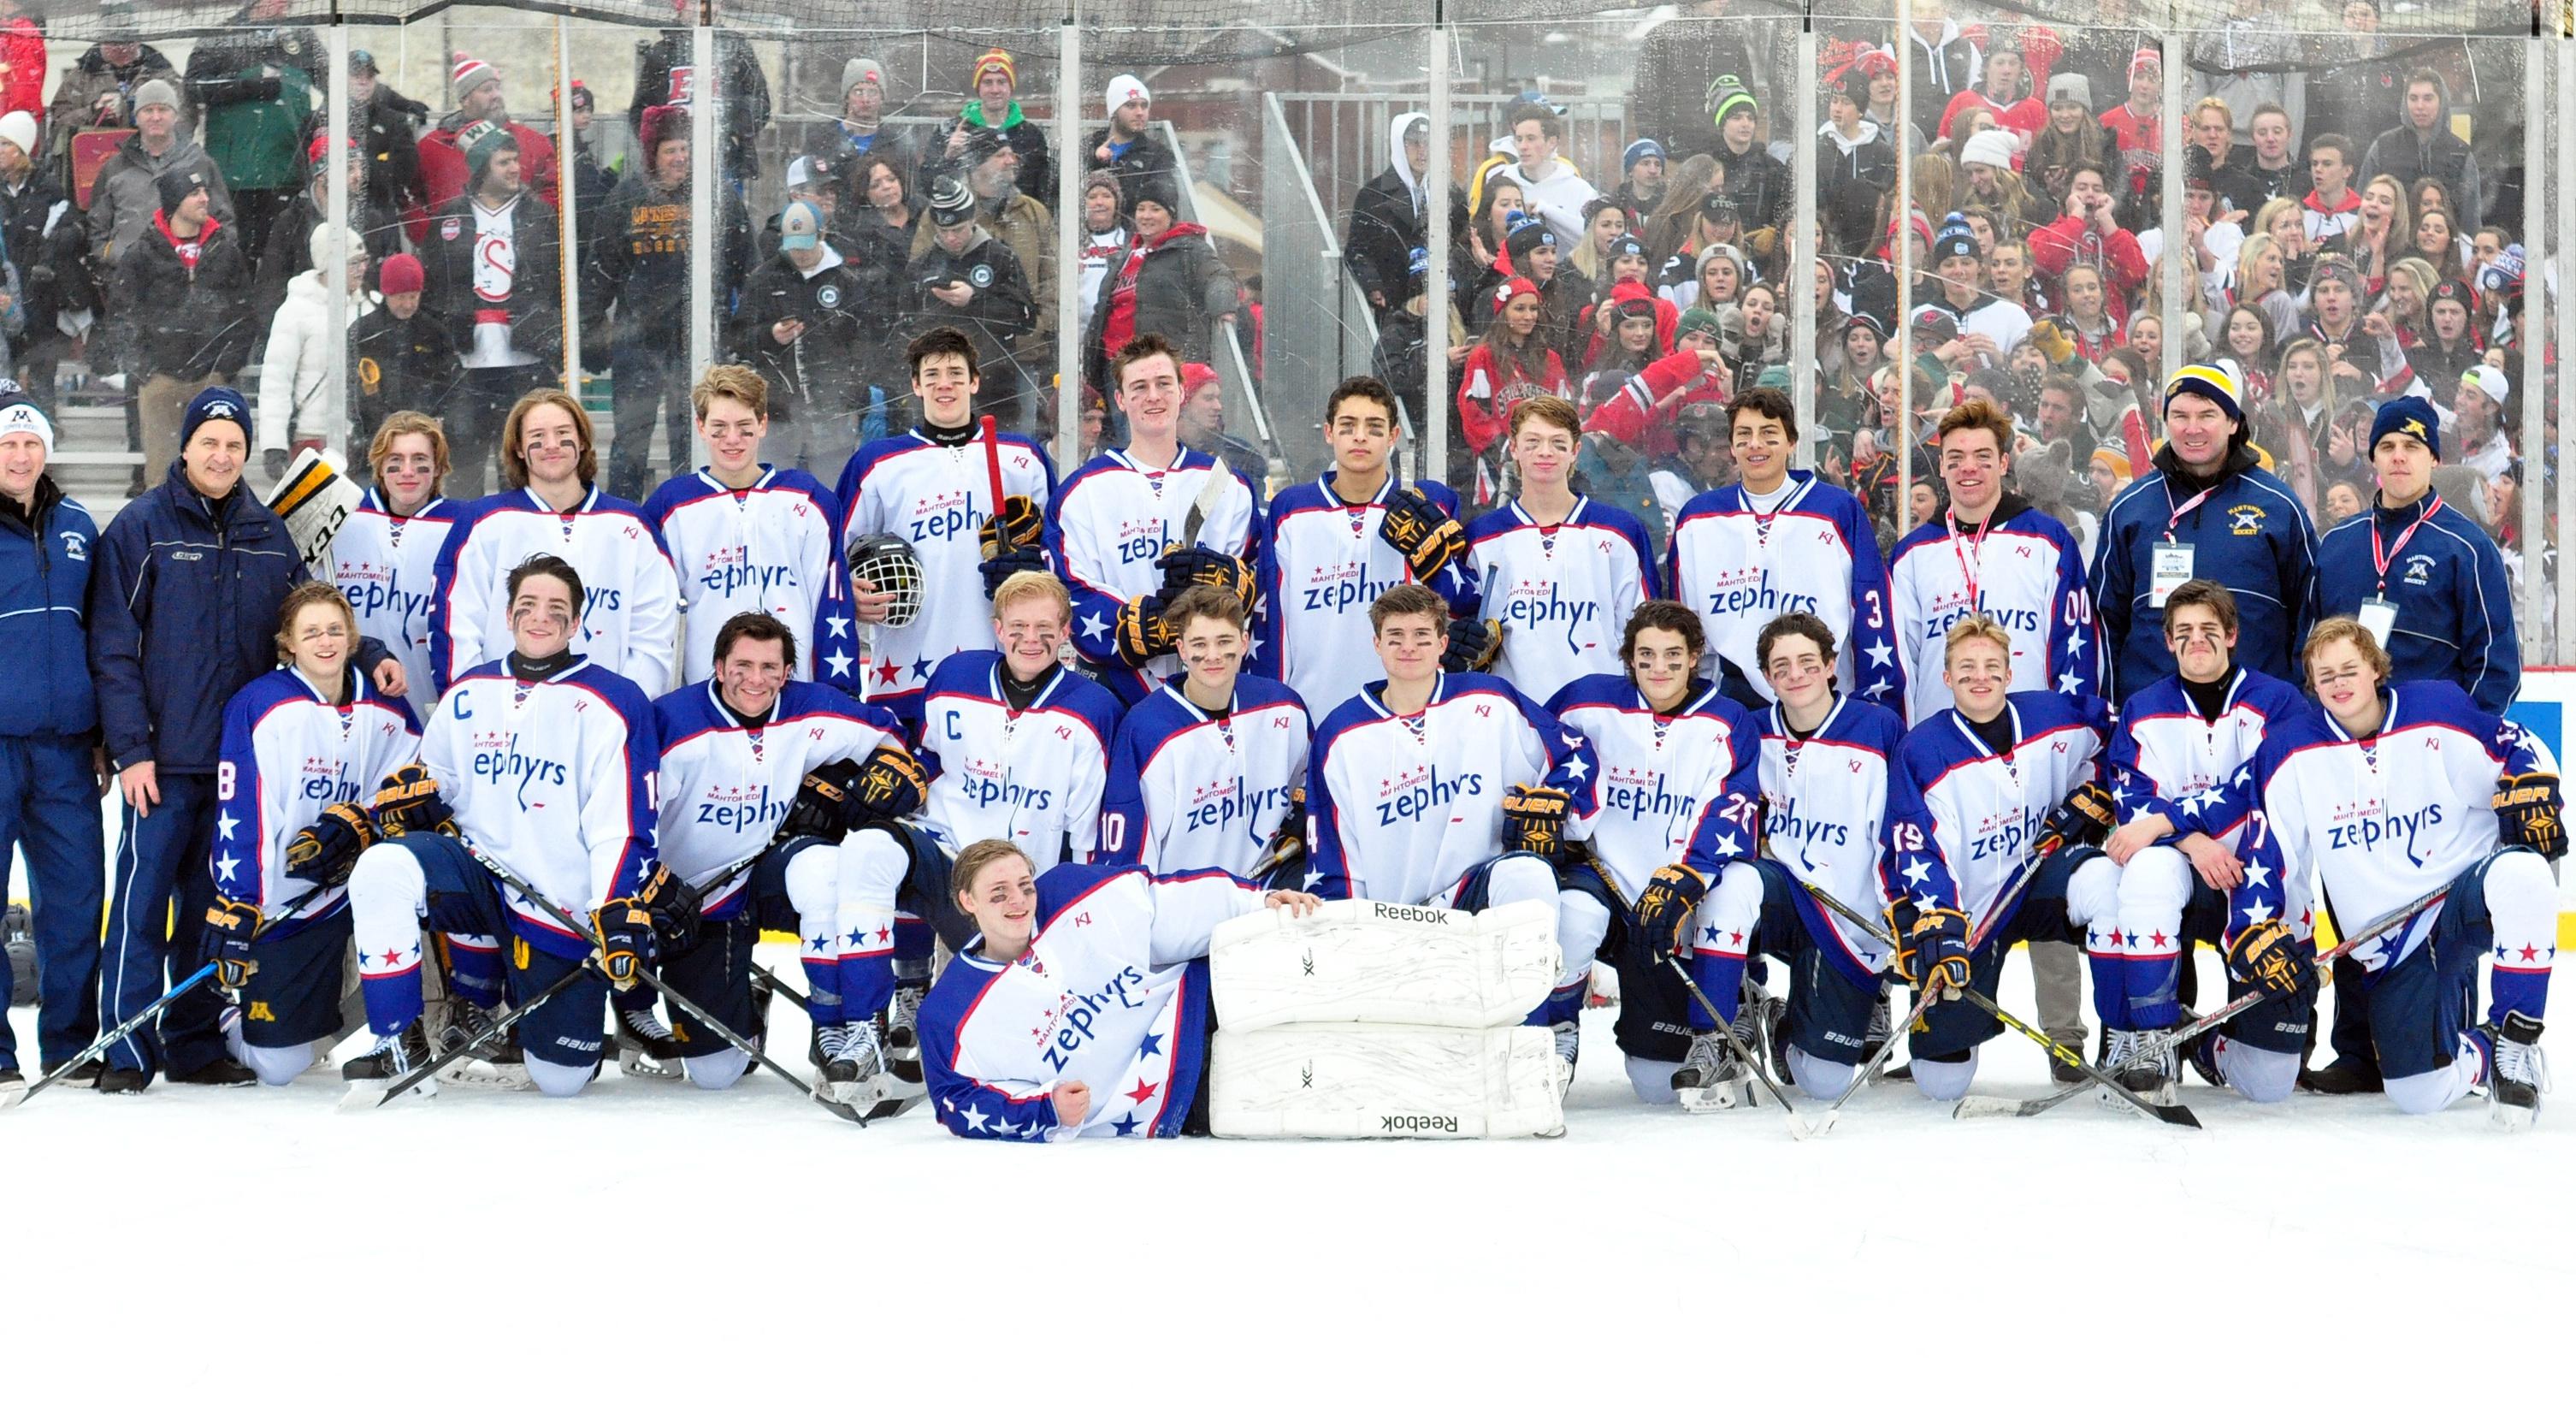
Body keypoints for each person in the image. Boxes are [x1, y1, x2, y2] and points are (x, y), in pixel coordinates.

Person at [88, 388, 402, 1093]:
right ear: (186, 447)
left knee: (212, 913)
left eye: (234, 445)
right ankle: (127, 1050)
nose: (222, 455)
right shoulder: (142, 527)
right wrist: (132, 749)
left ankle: (195, 1045)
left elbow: (311, 614)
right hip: (163, 762)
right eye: (210, 442)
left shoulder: (267, 531)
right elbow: (112, 646)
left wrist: (372, 650)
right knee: (141, 910)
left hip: (238, 766)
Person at [339, 554, 671, 1099]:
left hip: (555, 901)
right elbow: (439, 776)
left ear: (576, 622)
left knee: (560, 1077)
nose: (540, 617)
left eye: (556, 608)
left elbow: (622, 820)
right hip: (475, 874)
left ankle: (543, 1024)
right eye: (527, 605)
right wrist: (418, 796)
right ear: (509, 615)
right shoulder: (469, 691)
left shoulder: (615, 700)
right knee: (382, 867)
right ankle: (396, 1037)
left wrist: (612, 905)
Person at [2223, 618, 2553, 1127]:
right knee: (2417, 1092)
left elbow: (2514, 745)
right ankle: (2485, 1049)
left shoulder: (2437, 709)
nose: (2338, 683)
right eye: (2325, 675)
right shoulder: (2290, 750)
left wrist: (2532, 784)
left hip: (2459, 899)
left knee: (2525, 872)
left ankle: (2517, 1042)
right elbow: (2274, 851)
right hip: (2391, 945)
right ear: (2313, 685)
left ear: (2376, 669)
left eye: (2349, 669)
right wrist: (2259, 924)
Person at [1306, 583, 1598, 1063]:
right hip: (1396, 920)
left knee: (1528, 874)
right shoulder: (1342, 733)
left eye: (1422, 636)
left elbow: (1575, 753)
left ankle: (1530, 1046)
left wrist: (1558, 796)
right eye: (1395, 636)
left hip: (1474, 891)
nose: (1409, 647)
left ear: (1443, 642)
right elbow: (1336, 854)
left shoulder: (1490, 701)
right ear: (1376, 644)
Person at [649, 611, 918, 1103]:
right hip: (687, 898)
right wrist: (654, 881)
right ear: (718, 666)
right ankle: (746, 1006)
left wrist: (854, 780)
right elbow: (626, 817)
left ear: (787, 672)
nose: (755, 680)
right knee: (715, 1072)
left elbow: (891, 737)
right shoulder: (673, 722)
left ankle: (835, 1026)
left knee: (825, 869)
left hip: (763, 873)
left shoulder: (809, 708)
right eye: (742, 666)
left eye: (770, 668)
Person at [2065, 579, 2311, 1103]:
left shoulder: (2280, 702)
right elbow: (2135, 808)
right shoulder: (2142, 709)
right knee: (2144, 870)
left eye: (2208, 629)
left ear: (2232, 635)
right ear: (2169, 641)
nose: (2196, 639)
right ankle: (2152, 1039)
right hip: (2181, 869)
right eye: (2184, 631)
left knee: (2268, 1085)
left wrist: (2168, 821)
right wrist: (2192, 841)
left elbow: (2260, 787)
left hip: (2260, 876)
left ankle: (2197, 1039)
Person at [919, 837, 1320, 1140]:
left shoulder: (1069, 891)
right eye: (999, 894)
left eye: (1025, 886)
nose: (1019, 902)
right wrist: (1046, 1108)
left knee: (1317, 986)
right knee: (1316, 1084)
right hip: (1173, 1093)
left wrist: (1259, 902)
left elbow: (1166, 905)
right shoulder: (949, 1013)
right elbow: (958, 1100)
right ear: (968, 901)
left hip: (1199, 1003)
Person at [1880, 615, 2120, 1102]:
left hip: (2041, 877)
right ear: (1946, 677)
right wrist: (1938, 919)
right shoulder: (1921, 751)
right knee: (1940, 1081)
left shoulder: (2054, 714)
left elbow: (2124, 736)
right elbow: (1915, 845)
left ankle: (2123, 1031)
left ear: (2009, 674)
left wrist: (2097, 790)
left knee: (2107, 882)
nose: (1980, 677)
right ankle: (1944, 1039)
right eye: (1966, 667)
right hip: (1971, 912)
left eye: (1992, 666)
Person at [1692, 613, 1913, 1103]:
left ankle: (1785, 1020)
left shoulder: (1877, 727)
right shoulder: (1750, 731)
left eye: (1808, 662)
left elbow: (1899, 827)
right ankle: (1719, 1032)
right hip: (1786, 898)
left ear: (1831, 666)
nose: (1796, 675)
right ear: (1766, 677)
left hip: (1847, 918)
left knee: (1821, 1081)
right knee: (1733, 882)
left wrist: (1900, 907)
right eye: (1781, 666)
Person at [206, 583, 421, 1086]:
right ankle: (233, 1016)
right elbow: (246, 812)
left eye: (334, 630)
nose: (325, 642)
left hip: (359, 889)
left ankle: (409, 1029)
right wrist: (244, 902)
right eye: (311, 633)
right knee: (279, 1067)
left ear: (351, 637)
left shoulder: (387, 706)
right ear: (289, 643)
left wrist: (362, 823)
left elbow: (413, 780)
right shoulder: (261, 705)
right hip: (290, 902)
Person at [1550, 599, 1763, 1106]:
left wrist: (1688, 877)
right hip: (1607, 882)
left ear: (1694, 656)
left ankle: (1722, 1025)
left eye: (1672, 655)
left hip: (1677, 893)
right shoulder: (1586, 701)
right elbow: (1538, 745)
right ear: (1629, 657)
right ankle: (1554, 1033)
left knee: (1654, 1082)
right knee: (1574, 914)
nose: (1658, 667)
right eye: (1646, 655)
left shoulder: (1726, 719)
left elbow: (1731, 806)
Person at [835, 328, 1055, 733]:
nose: (944, 384)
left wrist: (1035, 566)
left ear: (974, 381)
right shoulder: (878, 464)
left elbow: (1060, 549)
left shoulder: (1021, 457)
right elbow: (833, 555)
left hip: (1004, 661)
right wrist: (850, 593)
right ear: (916, 386)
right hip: (907, 666)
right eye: (932, 375)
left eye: (955, 373)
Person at [1050, 334, 1266, 707]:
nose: (1153, 396)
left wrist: (1227, 582)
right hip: (1119, 690)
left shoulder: (1226, 485)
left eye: (1164, 384)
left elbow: (1255, 578)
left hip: (1211, 684)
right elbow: (1073, 588)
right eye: (1139, 387)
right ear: (1120, 400)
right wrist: (1145, 625)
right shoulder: (1082, 491)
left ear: (1181, 392)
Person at [428, 388, 681, 698]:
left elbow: (654, 633)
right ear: (519, 448)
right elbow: (456, 627)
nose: (551, 444)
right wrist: (478, 706)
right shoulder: (482, 522)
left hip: (605, 716)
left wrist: (626, 707)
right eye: (537, 435)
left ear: (583, 440)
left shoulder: (632, 526)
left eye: (563, 433)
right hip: (503, 713)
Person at [2092, 364, 2319, 703]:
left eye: (2207, 415)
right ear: (2166, 422)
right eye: (2180, 416)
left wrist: (2299, 703)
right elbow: (2103, 620)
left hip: (2256, 709)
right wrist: (2110, 708)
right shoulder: (2130, 508)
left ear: (2233, 422)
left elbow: (2312, 612)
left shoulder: (2278, 505)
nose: (2193, 428)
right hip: (2155, 712)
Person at [1667, 387, 1902, 707]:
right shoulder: (1698, 519)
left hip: (1824, 701)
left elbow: (1871, 607)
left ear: (1792, 441)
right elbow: (1685, 627)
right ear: (1732, 445)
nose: (1755, 444)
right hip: (1735, 705)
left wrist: (1875, 698)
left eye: (1769, 433)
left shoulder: (1836, 509)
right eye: (1744, 434)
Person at [0, 395, 106, 1089]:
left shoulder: (78, 527)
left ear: (46, 450)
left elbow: (102, 635)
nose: (20, 455)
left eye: (31, 443)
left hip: (66, 748)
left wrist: (101, 733)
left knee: (74, 901)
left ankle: (70, 1045)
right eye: (8, 444)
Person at [1255, 375, 1468, 714]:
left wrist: (1441, 570)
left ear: (1393, 436)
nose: (1360, 436)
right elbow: (1273, 625)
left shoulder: (1431, 503)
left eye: (1374, 427)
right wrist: (1276, 709)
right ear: (1329, 432)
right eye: (1348, 425)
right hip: (1314, 712)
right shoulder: (1291, 511)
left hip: (1413, 712)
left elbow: (1460, 609)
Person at [643, 366, 858, 691]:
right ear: (701, 427)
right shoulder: (670, 507)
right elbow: (654, 613)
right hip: (706, 697)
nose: (732, 439)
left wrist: (838, 695)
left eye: (744, 428)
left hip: (792, 695)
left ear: (763, 424)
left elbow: (829, 601)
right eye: (719, 428)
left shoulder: (808, 499)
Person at [1888, 399, 2100, 725]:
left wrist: (2067, 735)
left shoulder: (2049, 541)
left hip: (2030, 737)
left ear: (2003, 463)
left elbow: (2074, 648)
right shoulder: (1911, 554)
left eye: (1982, 457)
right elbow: (1901, 664)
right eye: (1956, 458)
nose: (1968, 467)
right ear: (1941, 466)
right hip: (1939, 742)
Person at [588, 104, 752, 500]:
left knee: (691, 436)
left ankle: (688, 507)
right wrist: (591, 331)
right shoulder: (626, 198)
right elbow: (600, 271)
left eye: (685, 149)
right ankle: (624, 514)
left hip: (695, 339)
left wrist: (742, 328)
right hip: (637, 340)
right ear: (652, 155)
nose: (680, 158)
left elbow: (746, 266)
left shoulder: (715, 196)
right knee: (631, 438)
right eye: (670, 151)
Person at [2315, 397, 2517, 716]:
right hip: (2345, 734)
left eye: (2412, 446)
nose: (2398, 456)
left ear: (2434, 458)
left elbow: (2496, 665)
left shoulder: (2468, 547)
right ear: (2373, 458)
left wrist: (2462, 731)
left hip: (2429, 735)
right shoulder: (2336, 544)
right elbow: (2308, 647)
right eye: (2387, 447)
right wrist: (2321, 724)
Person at [1102, 584, 1310, 880]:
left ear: (1244, 642)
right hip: (1181, 900)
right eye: (1199, 644)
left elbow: (1310, 783)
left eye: (1224, 641)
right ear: (1182, 649)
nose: (1213, 655)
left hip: (1268, 892)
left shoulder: (1284, 707)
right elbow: (1128, 858)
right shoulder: (1145, 730)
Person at [1463, 396, 1660, 706]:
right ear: (1514, 448)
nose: (1545, 452)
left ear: (1575, 450)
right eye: (1533, 442)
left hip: (1602, 712)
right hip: (1511, 715)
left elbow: (1646, 633)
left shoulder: (1620, 531)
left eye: (1558, 443)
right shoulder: (1482, 537)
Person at [420, 120, 562, 496]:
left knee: (518, 474)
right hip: (467, 365)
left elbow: (557, 286)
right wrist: (443, 346)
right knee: (463, 475)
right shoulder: (450, 217)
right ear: (483, 168)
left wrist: (550, 339)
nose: (516, 168)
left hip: (525, 363)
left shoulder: (540, 216)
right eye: (504, 162)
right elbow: (432, 289)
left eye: (516, 160)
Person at [117, 169, 254, 486]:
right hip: (160, 380)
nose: (205, 199)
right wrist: (145, 370)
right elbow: (122, 315)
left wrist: (225, 368)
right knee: (162, 483)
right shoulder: (141, 254)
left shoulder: (225, 251)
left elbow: (244, 312)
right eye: (194, 194)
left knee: (218, 479)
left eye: (204, 191)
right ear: (174, 202)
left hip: (212, 380)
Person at [734, 198, 882, 473]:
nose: (799, 254)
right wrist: (770, 335)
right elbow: (738, 339)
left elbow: (865, 342)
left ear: (822, 234)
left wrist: (853, 397)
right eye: (793, 246)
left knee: (832, 484)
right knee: (775, 486)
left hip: (832, 408)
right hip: (778, 411)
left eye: (805, 245)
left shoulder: (846, 280)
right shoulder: (764, 279)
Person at [331, 411, 464, 714]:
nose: (407, 471)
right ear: (379, 465)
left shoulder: (463, 526)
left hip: (430, 700)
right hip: (353, 699)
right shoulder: (343, 518)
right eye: (395, 460)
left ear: (438, 467)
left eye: (420, 460)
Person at [183, 4, 322, 283]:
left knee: (284, 262)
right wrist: (246, 87)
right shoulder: (221, 36)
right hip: (234, 177)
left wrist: (321, 122)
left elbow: (339, 82)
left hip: (287, 173)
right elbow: (193, 87)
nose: (287, 5)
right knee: (235, 259)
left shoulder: (302, 36)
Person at [1082, 178, 1234, 401]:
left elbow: (1217, 276)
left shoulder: (1188, 249)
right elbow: (1103, 309)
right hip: (1116, 364)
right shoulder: (1125, 255)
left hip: (1161, 365)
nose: (1146, 216)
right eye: (1141, 209)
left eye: (1155, 209)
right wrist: (1090, 361)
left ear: (1170, 215)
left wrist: (1222, 306)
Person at [909, 174, 1037, 430]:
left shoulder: (1000, 257)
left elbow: (1025, 318)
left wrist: (975, 300)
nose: (951, 238)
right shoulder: (922, 265)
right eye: (943, 231)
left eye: (958, 229)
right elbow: (906, 324)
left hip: (994, 384)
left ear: (972, 220)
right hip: (939, 388)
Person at [254, 224, 375, 478]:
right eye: (354, 262)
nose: (362, 268)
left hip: (363, 439)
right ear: (329, 264)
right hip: (311, 438)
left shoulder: (370, 307)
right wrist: (274, 445)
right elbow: (276, 381)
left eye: (364, 260)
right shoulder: (294, 312)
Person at [629, 14, 771, 188]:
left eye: (715, 2)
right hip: (673, 164)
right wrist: (659, 146)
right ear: (680, 7)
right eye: (692, 2)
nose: (707, 8)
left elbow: (760, 102)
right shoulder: (661, 53)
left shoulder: (736, 47)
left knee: (727, 203)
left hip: (724, 159)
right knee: (675, 205)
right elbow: (640, 111)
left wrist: (732, 130)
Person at [50, 11, 190, 176]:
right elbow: (58, 123)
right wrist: (93, 111)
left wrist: (149, 118)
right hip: (95, 160)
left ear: (138, 42)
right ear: (102, 44)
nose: (121, 49)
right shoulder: (81, 76)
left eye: (127, 43)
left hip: (152, 160)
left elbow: (184, 117)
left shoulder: (162, 73)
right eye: (113, 44)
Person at [416, 52, 559, 214]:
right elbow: (411, 198)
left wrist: (531, 224)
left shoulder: (534, 141)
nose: (496, 95)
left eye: (498, 88)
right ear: (465, 99)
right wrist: (430, 229)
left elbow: (553, 193)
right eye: (487, 90)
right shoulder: (431, 147)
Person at [0, 114, 75, 414]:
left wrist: (45, 261)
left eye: (5, 144)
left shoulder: (47, 188)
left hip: (40, 292)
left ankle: (44, 428)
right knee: (5, 369)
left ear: (21, 149)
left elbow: (65, 231)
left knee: (42, 372)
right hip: (5, 294)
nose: (0, 150)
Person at [349, 253, 458, 447]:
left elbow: (449, 382)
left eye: (413, 297)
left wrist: (439, 416)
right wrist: (381, 421)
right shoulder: (364, 332)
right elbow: (351, 387)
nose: (408, 305)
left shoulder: (435, 333)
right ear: (386, 294)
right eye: (400, 297)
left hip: (424, 437)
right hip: (374, 439)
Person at [1631, 2, 1757, 163]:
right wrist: (1658, 151)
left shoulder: (1731, 38)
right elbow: (1646, 99)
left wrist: (1742, 145)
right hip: (1679, 149)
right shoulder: (1662, 38)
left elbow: (1747, 96)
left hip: (1725, 150)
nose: (1724, 2)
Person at [2359, 70, 2481, 228]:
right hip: (2391, 240)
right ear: (2405, 101)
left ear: (2442, 101)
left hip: (2444, 241)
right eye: (2413, 98)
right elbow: (2362, 204)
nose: (2420, 106)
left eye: (2428, 98)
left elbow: (2471, 219)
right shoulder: (2383, 147)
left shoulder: (2460, 153)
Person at [932, 47, 1053, 204]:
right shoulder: (951, 130)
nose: (995, 90)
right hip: (966, 216)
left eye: (1001, 82)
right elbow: (929, 185)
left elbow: (1043, 190)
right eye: (988, 82)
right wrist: (948, 158)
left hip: (1015, 215)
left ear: (1011, 87)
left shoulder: (1030, 134)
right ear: (978, 88)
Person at [1494, 103, 1599, 249]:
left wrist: (1550, 212)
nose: (1523, 146)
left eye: (1531, 138)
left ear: (1552, 142)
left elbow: (1594, 240)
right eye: (1519, 139)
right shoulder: (1501, 183)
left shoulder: (1580, 190)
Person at [1084, 74, 1179, 204]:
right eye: (1131, 106)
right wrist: (1095, 160)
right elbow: (1062, 187)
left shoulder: (1157, 155)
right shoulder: (1086, 146)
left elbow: (1163, 200)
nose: (1140, 112)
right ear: (1114, 111)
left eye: (1144, 106)